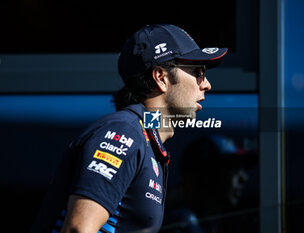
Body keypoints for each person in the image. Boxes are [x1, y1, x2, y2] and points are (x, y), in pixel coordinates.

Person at [30, 24, 227, 233]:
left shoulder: (146, 140)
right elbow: (78, 229)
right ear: (161, 77)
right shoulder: (125, 131)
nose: (206, 84)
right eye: (198, 71)